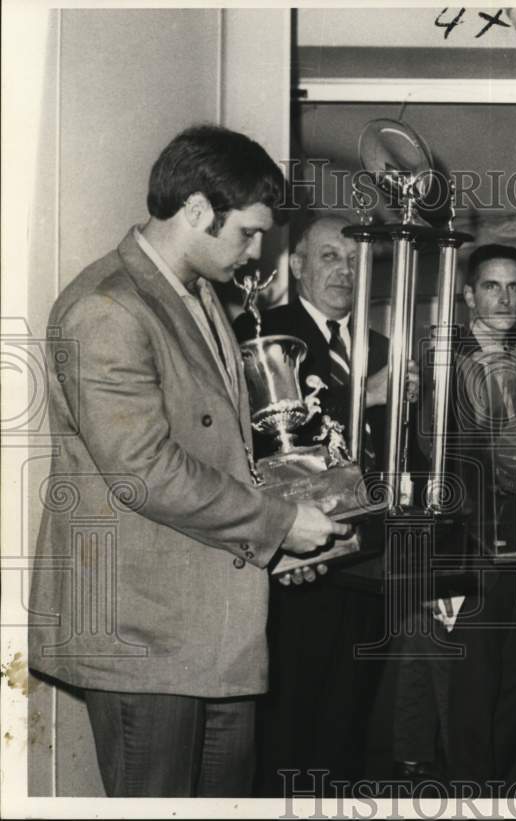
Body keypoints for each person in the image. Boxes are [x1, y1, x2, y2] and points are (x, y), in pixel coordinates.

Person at [28, 125, 349, 797]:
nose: (259, 251)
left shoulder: (198, 296)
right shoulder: (107, 306)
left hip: (208, 629)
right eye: (249, 233)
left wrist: (271, 544)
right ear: (198, 210)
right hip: (142, 632)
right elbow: (145, 469)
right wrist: (278, 522)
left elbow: (219, 452)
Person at [233, 214, 405, 792]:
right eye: (330, 256)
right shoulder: (262, 335)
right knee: (289, 723)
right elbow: (259, 445)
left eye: (356, 259)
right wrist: (367, 393)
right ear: (298, 266)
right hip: (299, 563)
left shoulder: (382, 346)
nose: (345, 270)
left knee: (350, 721)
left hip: (372, 562)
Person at [412, 243, 516, 785]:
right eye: (492, 285)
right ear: (469, 294)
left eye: (515, 286)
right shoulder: (444, 353)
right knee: (473, 674)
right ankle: (471, 787)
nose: (505, 297)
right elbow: (432, 445)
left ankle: (498, 780)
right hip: (470, 535)